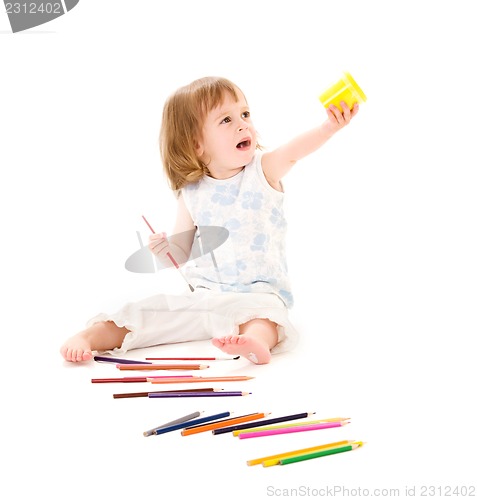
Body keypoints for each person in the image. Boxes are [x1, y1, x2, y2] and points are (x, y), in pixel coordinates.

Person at [60, 76, 359, 365]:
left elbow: (294, 152)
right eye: (226, 120)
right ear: (197, 144)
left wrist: (328, 128)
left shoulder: (262, 170)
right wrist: (164, 248)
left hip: (257, 295)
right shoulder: (191, 193)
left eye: (244, 113)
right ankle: (90, 336)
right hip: (204, 298)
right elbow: (180, 253)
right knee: (147, 312)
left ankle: (254, 343)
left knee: (266, 317)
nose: (243, 123)